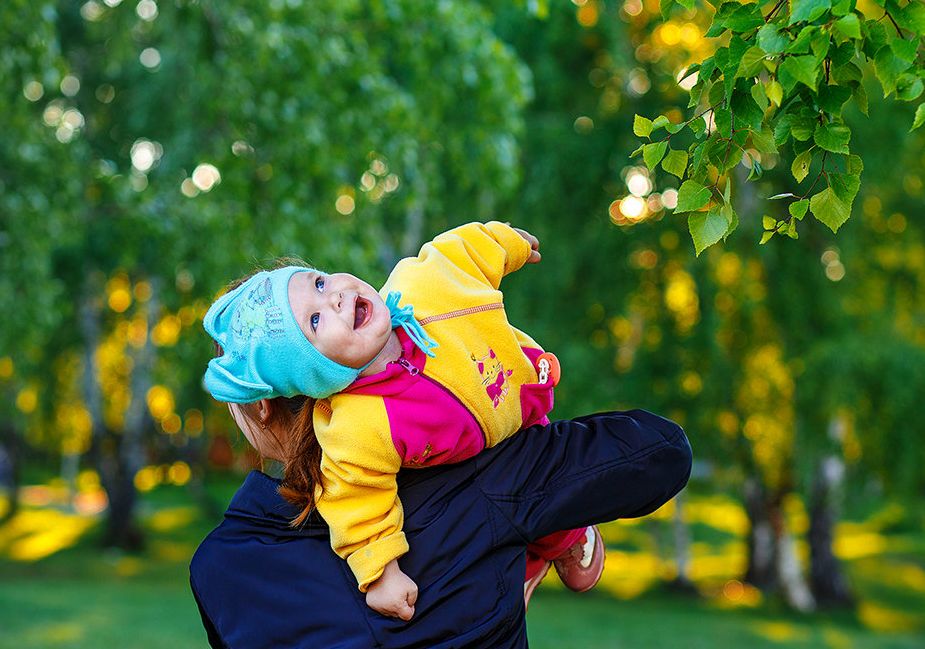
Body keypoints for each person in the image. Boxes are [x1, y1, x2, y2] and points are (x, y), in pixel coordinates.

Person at [201, 222, 606, 619]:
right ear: (316, 374)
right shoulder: (356, 424)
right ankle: (525, 559)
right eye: (316, 321)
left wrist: (503, 242)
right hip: (465, 456)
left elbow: (456, 253)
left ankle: (565, 537)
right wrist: (381, 574)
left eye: (320, 283)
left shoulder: (421, 286)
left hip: (513, 401)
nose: (336, 300)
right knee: (505, 499)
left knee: (551, 483)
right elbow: (355, 500)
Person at [191, 399, 692, 649]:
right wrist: (508, 434)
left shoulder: (217, 568)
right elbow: (661, 452)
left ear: (253, 407)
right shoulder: (476, 482)